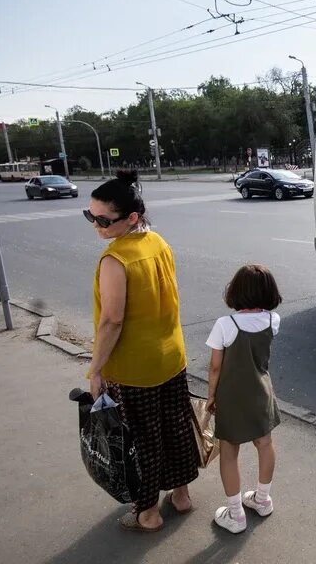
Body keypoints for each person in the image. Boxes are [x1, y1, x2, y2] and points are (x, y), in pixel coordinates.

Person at [84, 170, 198, 532]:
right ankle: (181, 495)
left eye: (103, 220)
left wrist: (95, 369)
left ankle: (147, 512)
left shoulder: (115, 260)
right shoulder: (158, 242)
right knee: (176, 428)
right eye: (90, 217)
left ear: (131, 217)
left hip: (134, 368)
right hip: (171, 356)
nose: (96, 226)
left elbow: (111, 322)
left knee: (142, 440)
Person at [205, 264, 283, 534]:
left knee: (229, 451)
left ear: (236, 291)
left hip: (232, 396)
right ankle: (262, 499)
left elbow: (215, 367)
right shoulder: (273, 320)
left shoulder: (226, 324)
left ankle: (236, 514)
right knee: (265, 443)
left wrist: (211, 395)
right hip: (262, 391)